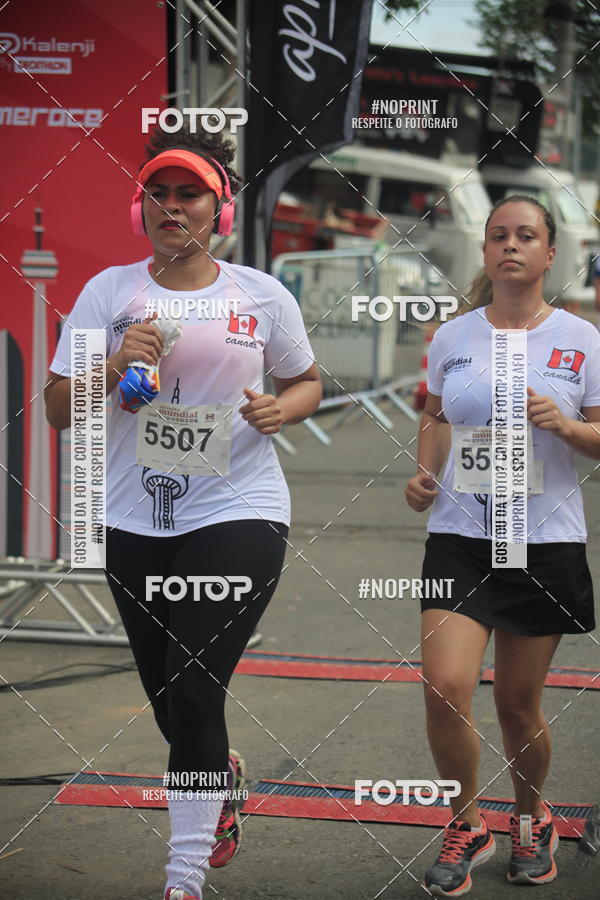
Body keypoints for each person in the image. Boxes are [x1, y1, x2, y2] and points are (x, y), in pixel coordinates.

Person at [44, 124, 321, 900]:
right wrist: (113, 364)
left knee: (195, 686)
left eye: (189, 194)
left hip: (239, 508)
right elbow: (59, 410)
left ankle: (184, 877)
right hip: (133, 518)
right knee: (171, 697)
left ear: (220, 209)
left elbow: (307, 381)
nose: (172, 206)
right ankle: (216, 776)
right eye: (158, 193)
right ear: (140, 208)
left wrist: (283, 409)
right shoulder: (108, 293)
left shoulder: (260, 294)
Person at [405, 195, 600, 896]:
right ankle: (466, 825)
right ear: (486, 252)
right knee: (444, 685)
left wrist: (567, 426)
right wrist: (424, 472)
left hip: (542, 541)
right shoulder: (452, 337)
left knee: (518, 705)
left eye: (525, 236)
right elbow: (434, 416)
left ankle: (530, 818)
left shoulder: (582, 339)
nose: (510, 246)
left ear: (550, 254)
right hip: (460, 537)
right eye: (498, 236)